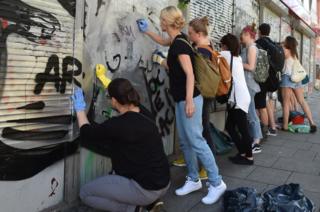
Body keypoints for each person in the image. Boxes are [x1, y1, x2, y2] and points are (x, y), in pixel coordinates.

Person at [137, 6, 226, 205]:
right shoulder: (178, 39)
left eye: (161, 19)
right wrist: (147, 31)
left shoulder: (180, 45)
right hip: (180, 98)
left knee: (196, 140)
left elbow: (190, 74)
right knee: (185, 141)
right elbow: (162, 41)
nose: (159, 22)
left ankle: (216, 183)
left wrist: (188, 101)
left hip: (189, 99)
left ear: (167, 22)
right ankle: (193, 179)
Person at [72, 78, 170, 212]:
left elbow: (87, 132)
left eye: (109, 97)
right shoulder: (145, 114)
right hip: (163, 181)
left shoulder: (118, 125)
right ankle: (150, 203)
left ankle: (135, 209)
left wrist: (79, 110)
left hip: (145, 189)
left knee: (85, 193)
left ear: (114, 100)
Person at [220, 33, 253, 165]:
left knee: (243, 128)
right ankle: (243, 152)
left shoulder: (226, 55)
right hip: (240, 96)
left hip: (238, 98)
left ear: (225, 46)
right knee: (230, 126)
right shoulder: (237, 57)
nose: (220, 48)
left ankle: (249, 157)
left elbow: (210, 53)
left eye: (221, 45)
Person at [280, 36, 317, 133]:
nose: (283, 41)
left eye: (285, 40)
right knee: (302, 101)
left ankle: (285, 126)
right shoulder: (294, 52)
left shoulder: (285, 50)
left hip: (287, 78)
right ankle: (312, 123)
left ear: (287, 43)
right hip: (296, 78)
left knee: (286, 103)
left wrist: (281, 45)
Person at [240, 24, 263, 154]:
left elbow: (251, 66)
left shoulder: (252, 48)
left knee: (251, 113)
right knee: (249, 112)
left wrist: (237, 62)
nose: (241, 37)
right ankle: (253, 139)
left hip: (249, 84)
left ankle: (257, 141)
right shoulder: (247, 47)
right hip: (246, 84)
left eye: (242, 35)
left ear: (248, 35)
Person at [256, 23, 278, 136]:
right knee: (269, 102)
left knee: (262, 105)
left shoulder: (259, 43)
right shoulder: (273, 43)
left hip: (262, 78)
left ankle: (265, 129)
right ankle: (272, 126)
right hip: (273, 78)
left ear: (259, 31)